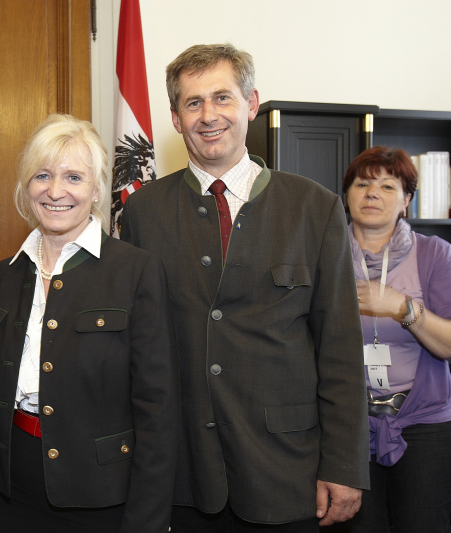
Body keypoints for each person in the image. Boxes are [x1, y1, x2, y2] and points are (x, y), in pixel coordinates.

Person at [120, 43, 369, 532]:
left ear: (252, 104)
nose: (208, 115)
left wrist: (343, 466)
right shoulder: (143, 213)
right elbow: (135, 350)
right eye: (193, 103)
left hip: (289, 472)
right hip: (183, 475)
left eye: (222, 98)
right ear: (175, 117)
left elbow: (340, 348)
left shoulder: (314, 209)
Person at [0, 114, 178, 533]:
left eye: (74, 177)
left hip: (103, 501)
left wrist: (147, 523)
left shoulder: (136, 271)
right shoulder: (3, 275)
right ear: (27, 185)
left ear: (97, 189)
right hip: (12, 496)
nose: (56, 191)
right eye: (42, 175)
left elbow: (158, 411)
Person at [331, 147, 451, 532]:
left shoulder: (435, 254)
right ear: (346, 194)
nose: (372, 193)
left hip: (424, 424)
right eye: (362, 184)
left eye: (387, 185)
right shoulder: (323, 254)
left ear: (406, 201)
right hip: (346, 423)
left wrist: (402, 308)